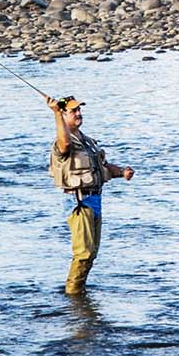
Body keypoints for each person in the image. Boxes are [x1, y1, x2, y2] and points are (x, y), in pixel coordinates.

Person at [46, 95, 135, 294]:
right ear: (63, 114)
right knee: (83, 253)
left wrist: (122, 172)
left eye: (79, 110)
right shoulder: (62, 142)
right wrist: (56, 115)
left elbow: (102, 167)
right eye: (73, 111)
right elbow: (65, 145)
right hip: (79, 201)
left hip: (95, 199)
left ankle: (79, 294)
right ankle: (73, 296)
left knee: (91, 253)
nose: (78, 114)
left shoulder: (87, 141)